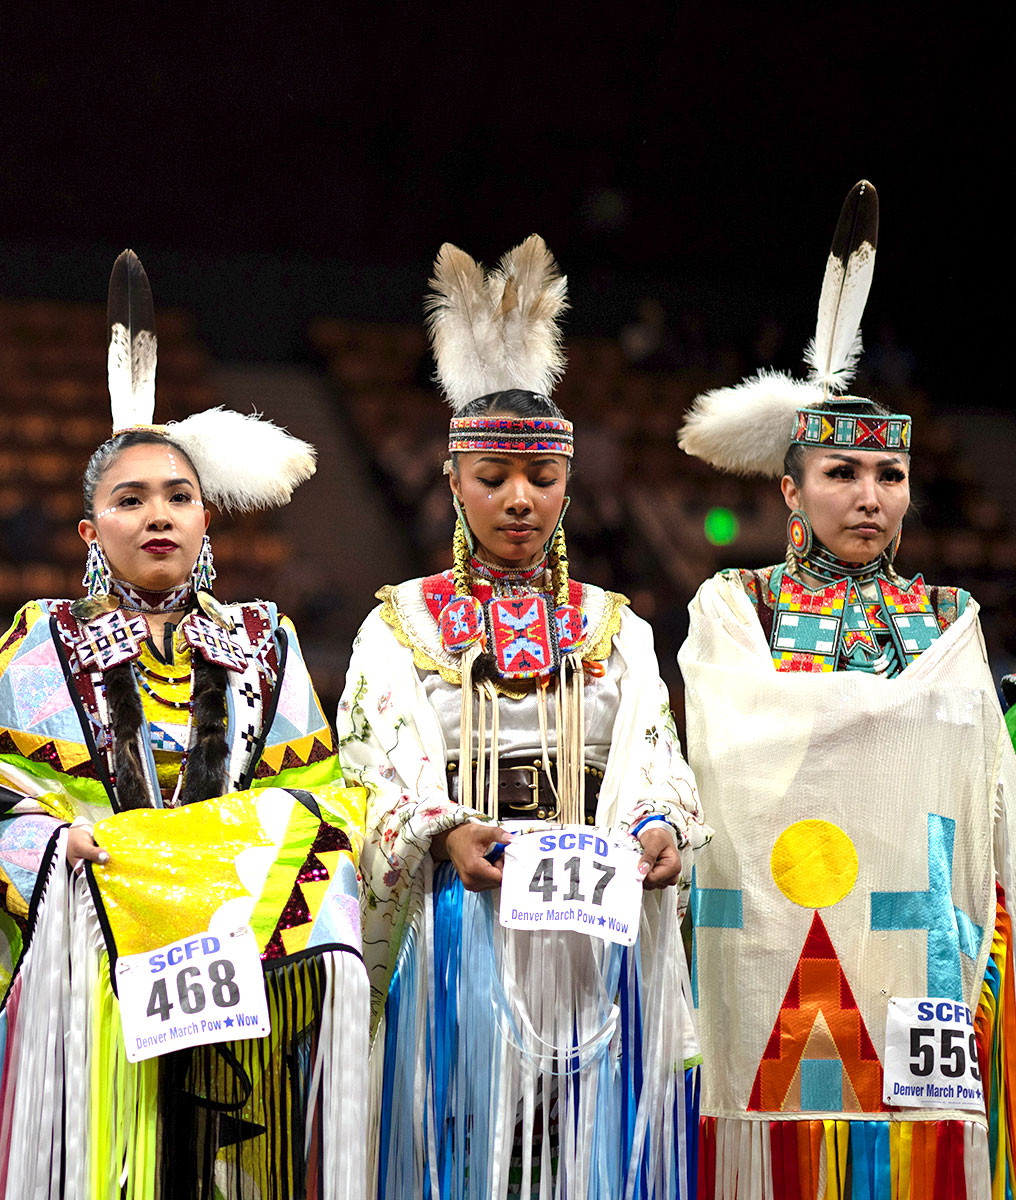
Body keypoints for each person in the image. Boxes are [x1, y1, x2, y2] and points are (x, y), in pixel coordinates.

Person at [0, 251, 370, 1197]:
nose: (157, 516)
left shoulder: (264, 642)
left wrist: (218, 860)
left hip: (239, 977)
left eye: (178, 497)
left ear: (207, 521)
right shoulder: (44, 640)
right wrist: (50, 845)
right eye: (129, 500)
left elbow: (326, 801)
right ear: (91, 531)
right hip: (95, 978)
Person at [340, 237, 708, 1196]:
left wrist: (660, 824)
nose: (518, 500)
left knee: (578, 1159)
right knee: (462, 1154)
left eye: (540, 479)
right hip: (461, 921)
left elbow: (656, 754)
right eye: (493, 477)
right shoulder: (402, 623)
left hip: (592, 928)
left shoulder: (613, 625)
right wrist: (444, 829)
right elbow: (374, 766)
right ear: (453, 481)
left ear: (568, 486)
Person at [679, 180, 1016, 1194]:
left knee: (911, 1151)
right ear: (791, 489)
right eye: (840, 474)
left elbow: (984, 784)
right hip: (768, 915)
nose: (869, 497)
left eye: (888, 477)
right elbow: (733, 742)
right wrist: (888, 725)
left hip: (916, 929)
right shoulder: (736, 603)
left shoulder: (948, 617)